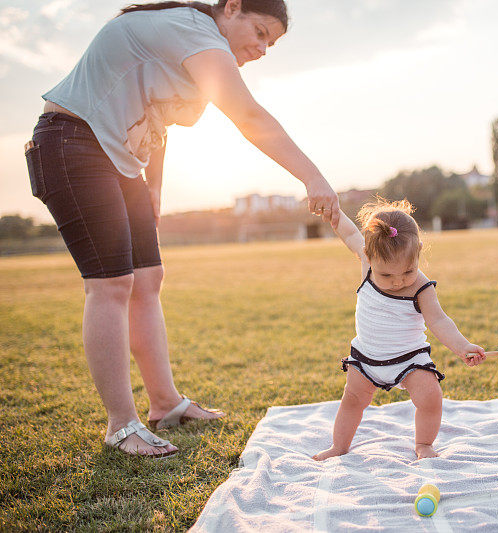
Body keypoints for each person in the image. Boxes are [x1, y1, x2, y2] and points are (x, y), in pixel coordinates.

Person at [24, 0, 340, 458]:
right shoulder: (194, 30)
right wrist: (313, 177)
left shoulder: (203, 53)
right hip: (72, 140)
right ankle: (120, 426)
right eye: (260, 32)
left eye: (271, 42)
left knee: (148, 279)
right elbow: (249, 117)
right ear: (230, 9)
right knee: (111, 285)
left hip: (122, 160)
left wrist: (153, 187)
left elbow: (158, 120)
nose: (263, 48)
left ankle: (165, 402)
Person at [313, 199, 486, 461]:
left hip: (410, 358)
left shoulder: (421, 287)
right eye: (387, 275)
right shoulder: (366, 264)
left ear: (418, 252)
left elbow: (439, 321)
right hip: (366, 358)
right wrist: (335, 216)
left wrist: (462, 346)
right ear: (368, 257)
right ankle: (339, 446)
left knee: (431, 397)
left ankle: (424, 444)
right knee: (352, 401)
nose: (398, 281)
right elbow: (350, 233)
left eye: (408, 271)